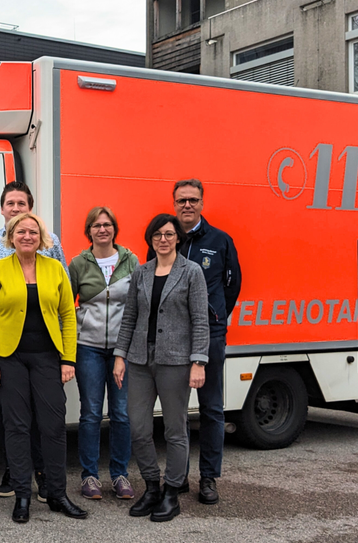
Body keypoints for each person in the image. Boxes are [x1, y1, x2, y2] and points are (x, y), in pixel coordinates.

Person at [0, 212, 87, 523]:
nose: (27, 236)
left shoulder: (55, 269)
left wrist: (69, 359)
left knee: (53, 427)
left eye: (33, 232)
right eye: (21, 231)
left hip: (48, 359)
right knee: (17, 428)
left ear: (42, 238)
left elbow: (69, 315)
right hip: (8, 359)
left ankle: (56, 494)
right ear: (11, 236)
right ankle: (22, 496)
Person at [113, 213, 209, 523]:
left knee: (174, 430)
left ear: (178, 238)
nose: (163, 239)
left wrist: (198, 361)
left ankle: (172, 491)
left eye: (168, 234)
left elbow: (200, 319)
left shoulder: (191, 272)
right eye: (157, 234)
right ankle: (152, 486)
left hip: (176, 361)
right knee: (138, 428)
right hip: (140, 360)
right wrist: (119, 356)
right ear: (150, 239)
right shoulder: (141, 273)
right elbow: (129, 318)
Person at [171, 179, 242, 505]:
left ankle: (209, 478)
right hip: (174, 336)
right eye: (182, 200)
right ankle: (179, 476)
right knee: (177, 412)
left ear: (202, 203)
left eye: (193, 200)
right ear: (174, 203)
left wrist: (215, 314)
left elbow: (233, 286)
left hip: (211, 336)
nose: (187, 205)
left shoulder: (220, 241)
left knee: (212, 410)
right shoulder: (166, 238)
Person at [68, 206, 138, 501]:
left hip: (122, 351)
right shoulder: (78, 263)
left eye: (107, 224)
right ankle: (90, 477)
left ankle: (120, 474)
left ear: (114, 228)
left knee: (122, 414)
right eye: (97, 225)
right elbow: (65, 307)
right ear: (89, 230)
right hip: (89, 349)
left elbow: (137, 306)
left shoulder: (131, 261)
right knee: (91, 413)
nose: (102, 229)